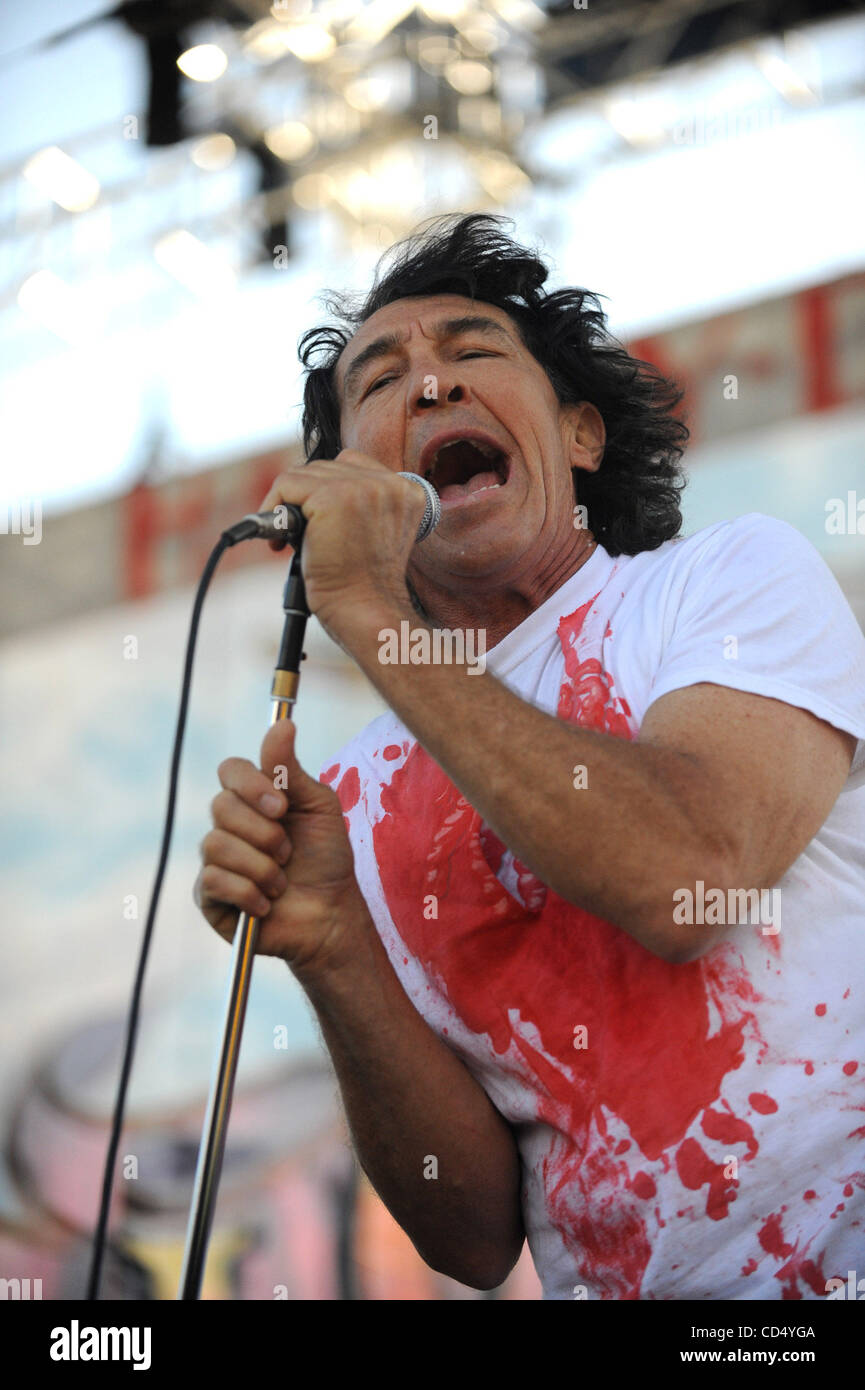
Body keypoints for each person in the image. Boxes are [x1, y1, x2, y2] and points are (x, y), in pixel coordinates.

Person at [194, 214, 865, 1300]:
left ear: (581, 438)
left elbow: (682, 881)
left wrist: (364, 604)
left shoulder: (725, 584)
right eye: (380, 379)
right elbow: (471, 1236)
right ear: (349, 485)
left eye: (470, 352)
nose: (427, 386)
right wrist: (333, 947)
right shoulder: (355, 795)